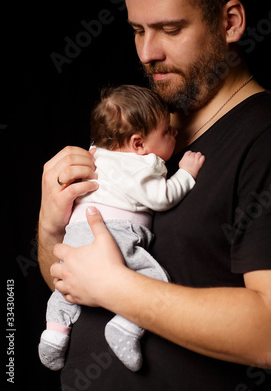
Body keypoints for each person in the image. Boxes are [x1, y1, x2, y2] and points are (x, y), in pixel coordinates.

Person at [38, 0, 271, 390]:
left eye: (170, 29)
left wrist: (118, 286)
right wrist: (51, 224)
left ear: (229, 22)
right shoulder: (143, 130)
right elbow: (75, 283)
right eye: (137, 30)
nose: (148, 52)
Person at [38, 84, 205, 372]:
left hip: (76, 232)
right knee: (154, 280)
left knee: (63, 286)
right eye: (167, 131)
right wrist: (186, 175)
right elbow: (161, 197)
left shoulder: (97, 153)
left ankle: (53, 335)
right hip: (115, 232)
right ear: (138, 144)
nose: (175, 133)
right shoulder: (141, 165)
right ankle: (126, 327)